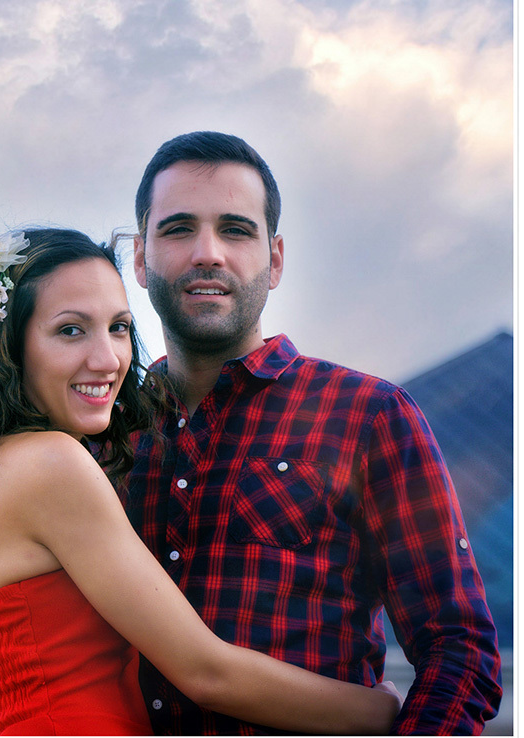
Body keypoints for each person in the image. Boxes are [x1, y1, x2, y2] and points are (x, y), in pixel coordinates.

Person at [0, 227, 401, 735]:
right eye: (71, 330)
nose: (109, 359)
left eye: (118, 327)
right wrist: (378, 712)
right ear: (7, 346)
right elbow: (204, 672)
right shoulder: (49, 464)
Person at [125, 130, 502, 734]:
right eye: (177, 229)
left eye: (235, 229)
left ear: (274, 260)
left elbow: (459, 650)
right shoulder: (104, 440)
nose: (208, 253)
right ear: (140, 259)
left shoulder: (368, 416)